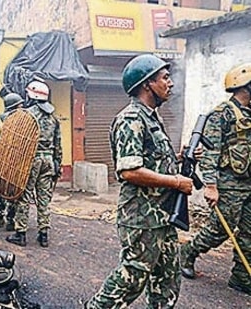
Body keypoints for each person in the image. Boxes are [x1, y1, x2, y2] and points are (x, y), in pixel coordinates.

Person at [85, 54, 194, 308]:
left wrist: (179, 157)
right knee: (132, 277)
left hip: (163, 216)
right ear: (147, 84)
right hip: (142, 217)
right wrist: (177, 182)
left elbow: (151, 160)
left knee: (167, 280)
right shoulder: (131, 119)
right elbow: (129, 171)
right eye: (164, 78)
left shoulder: (151, 117)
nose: (171, 83)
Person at [180, 63, 251, 295]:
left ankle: (241, 277)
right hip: (228, 184)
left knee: (250, 231)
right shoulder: (221, 115)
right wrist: (210, 186)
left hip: (248, 183)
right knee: (220, 229)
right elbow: (210, 152)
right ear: (246, 87)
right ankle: (188, 253)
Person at [5, 80, 62, 247]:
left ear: (31, 96)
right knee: (44, 199)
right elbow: (58, 144)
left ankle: (20, 233)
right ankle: (43, 234)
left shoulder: (26, 115)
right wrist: (57, 163)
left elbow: (18, 142)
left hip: (30, 160)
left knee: (24, 196)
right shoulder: (54, 118)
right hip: (49, 160)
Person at [0, 93, 24, 231]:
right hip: (14, 161)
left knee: (0, 189)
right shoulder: (19, 120)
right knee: (12, 190)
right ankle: (10, 220)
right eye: (20, 104)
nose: (22, 106)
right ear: (15, 105)